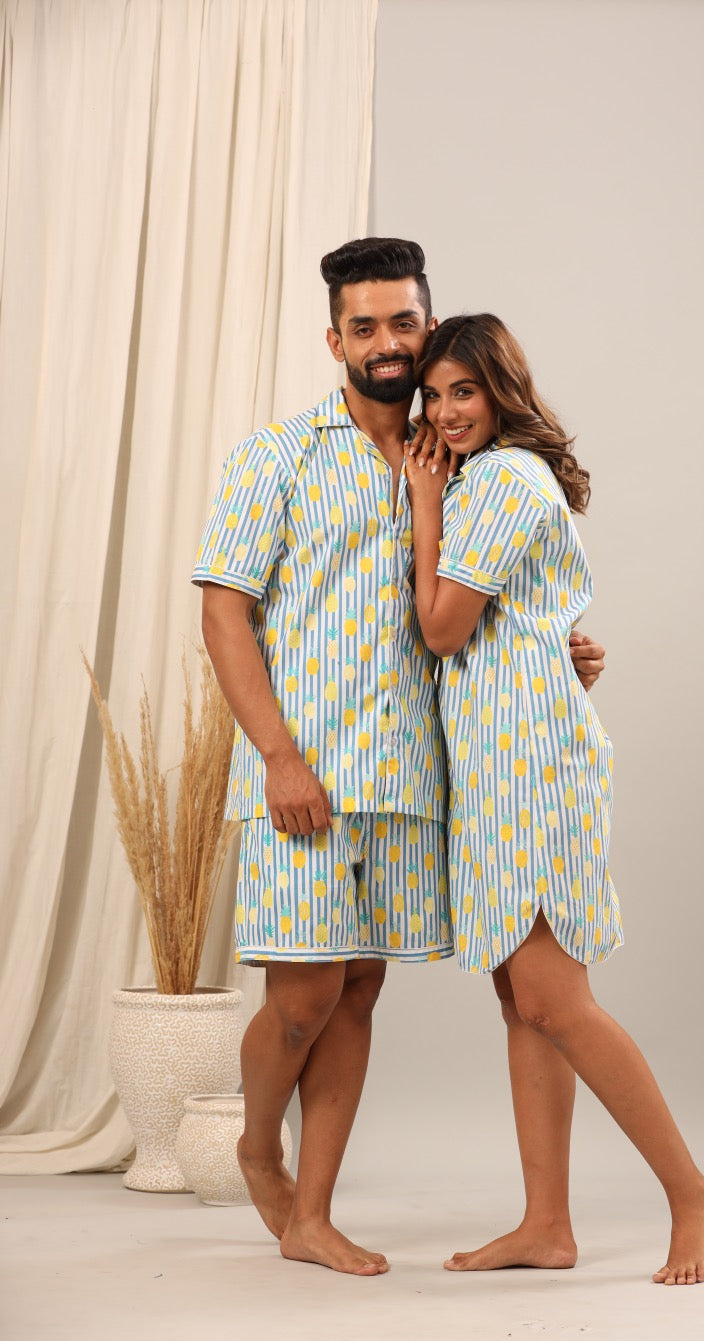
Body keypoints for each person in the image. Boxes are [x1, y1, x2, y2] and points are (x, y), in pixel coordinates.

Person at [192, 240, 606, 1276]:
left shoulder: (459, 457)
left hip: (418, 781)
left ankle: (312, 1216)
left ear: (428, 326)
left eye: (403, 323)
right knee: (300, 1001)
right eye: (365, 326)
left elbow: (481, 607)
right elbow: (224, 617)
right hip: (306, 778)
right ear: (335, 339)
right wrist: (278, 756)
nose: (387, 344)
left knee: (359, 992)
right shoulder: (276, 457)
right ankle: (255, 1147)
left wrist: (555, 655)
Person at [404, 313, 704, 1285]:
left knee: (553, 995)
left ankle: (690, 1193)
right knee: (522, 998)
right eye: (433, 394)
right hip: (507, 754)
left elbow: (443, 630)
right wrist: (563, 661)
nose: (446, 412)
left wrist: (423, 503)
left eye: (463, 390)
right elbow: (529, 629)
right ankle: (545, 1223)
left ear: (502, 389)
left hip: (528, 766)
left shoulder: (496, 480)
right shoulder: (494, 480)